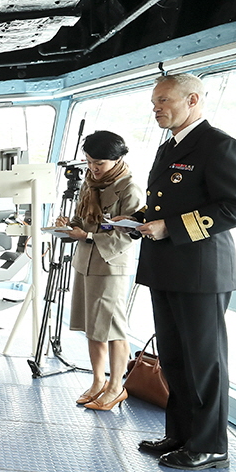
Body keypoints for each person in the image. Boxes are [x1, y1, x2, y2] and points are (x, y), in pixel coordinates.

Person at [130, 73, 236, 470]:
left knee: (204, 362)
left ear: (193, 100)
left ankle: (210, 445)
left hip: (201, 272)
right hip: (165, 268)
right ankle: (181, 434)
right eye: (154, 103)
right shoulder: (169, 148)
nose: (157, 109)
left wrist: (170, 226)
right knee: (174, 359)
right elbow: (166, 203)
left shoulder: (219, 146)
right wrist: (137, 218)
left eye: (164, 101)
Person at [52, 132, 142, 411]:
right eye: (89, 162)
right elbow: (83, 220)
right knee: (93, 328)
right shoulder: (89, 184)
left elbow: (131, 234)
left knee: (113, 329)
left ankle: (117, 387)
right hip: (85, 262)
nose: (93, 168)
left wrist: (88, 237)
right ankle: (97, 382)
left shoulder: (130, 189)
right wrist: (68, 225)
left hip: (110, 265)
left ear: (118, 159)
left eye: (99, 163)